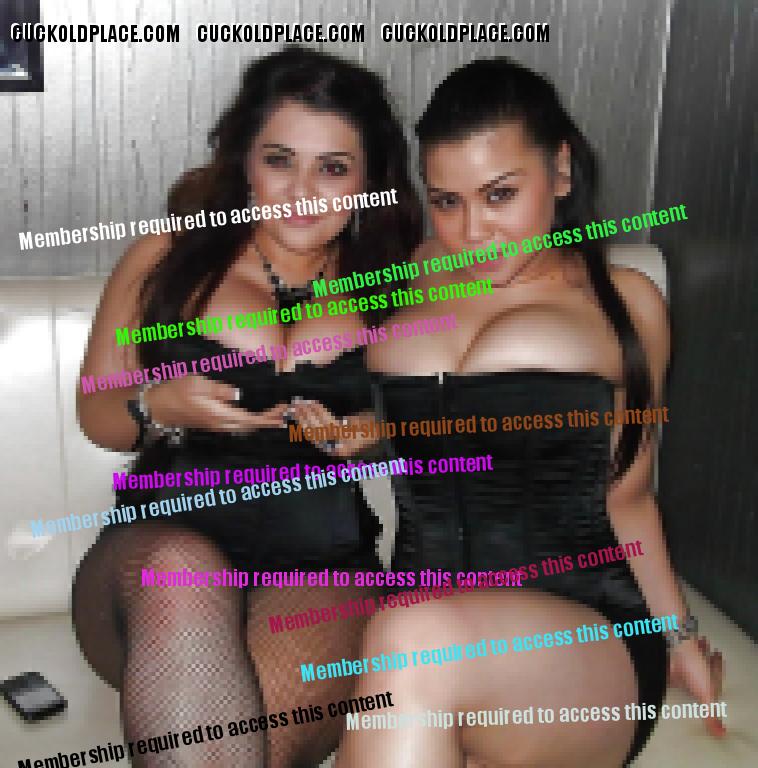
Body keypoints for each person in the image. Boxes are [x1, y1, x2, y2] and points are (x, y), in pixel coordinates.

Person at [336, 57, 723, 768]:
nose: (473, 230)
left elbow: (629, 497)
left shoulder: (625, 301)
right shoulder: (407, 275)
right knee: (412, 640)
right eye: (447, 201)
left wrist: (680, 635)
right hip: (422, 632)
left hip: (585, 637)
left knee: (415, 641)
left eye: (501, 194)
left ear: (562, 171)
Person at [72, 46, 421, 767]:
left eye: (333, 168)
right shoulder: (168, 257)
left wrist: (378, 433)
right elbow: (97, 416)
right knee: (182, 575)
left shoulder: (406, 280)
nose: (302, 190)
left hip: (321, 563)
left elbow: (455, 421)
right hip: (158, 552)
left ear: (370, 180)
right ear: (243, 161)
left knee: (242, 743)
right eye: (279, 160)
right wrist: (157, 406)